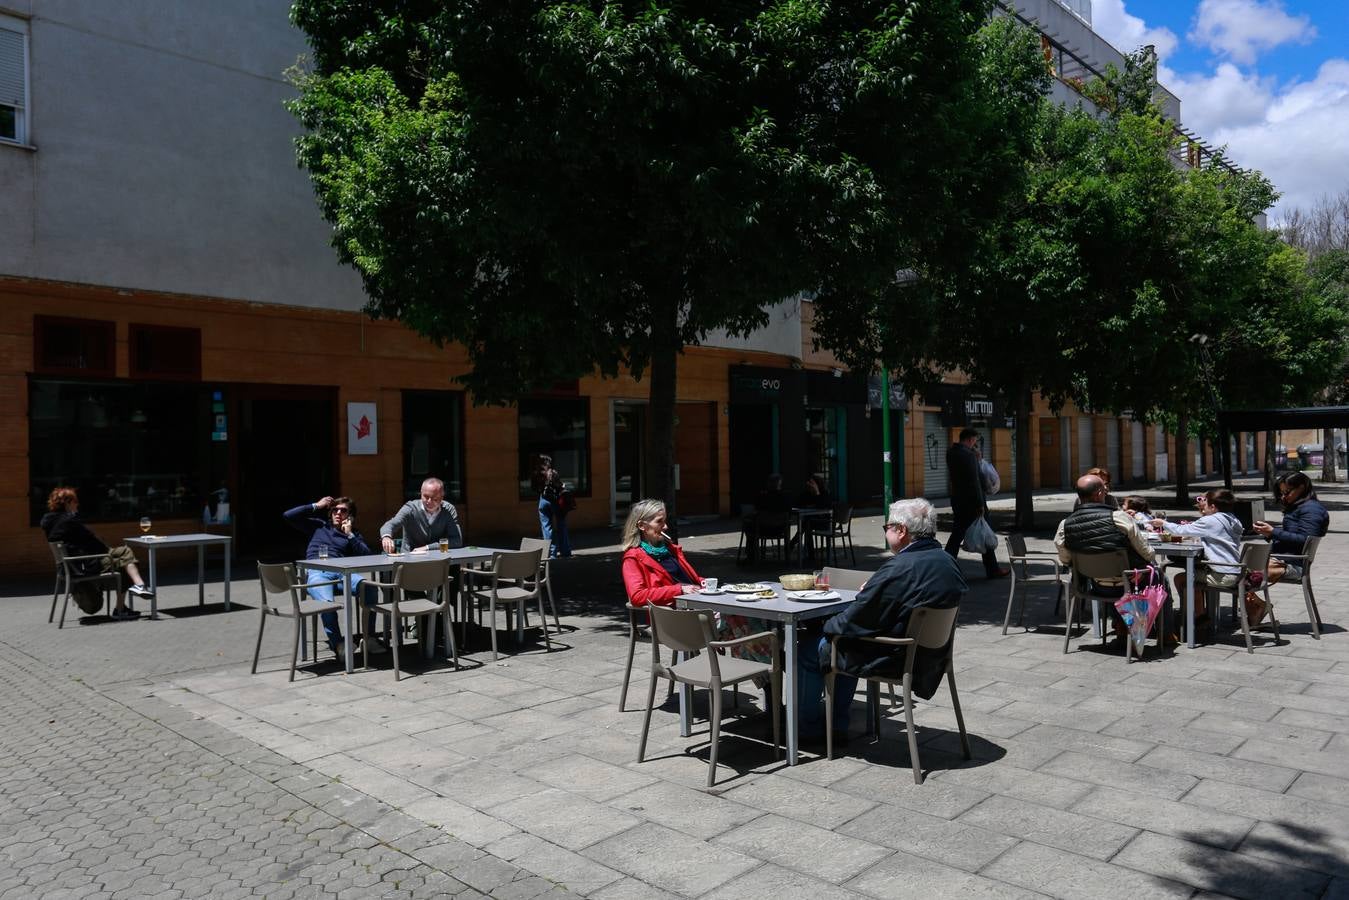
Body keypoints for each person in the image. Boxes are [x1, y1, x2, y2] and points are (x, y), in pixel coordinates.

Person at [798, 498, 967, 738]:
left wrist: (823, 626)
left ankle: (808, 729)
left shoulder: (900, 568)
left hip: (895, 657)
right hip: (930, 657)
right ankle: (836, 722)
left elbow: (853, 621)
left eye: (887, 527)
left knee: (810, 648)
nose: (886, 532)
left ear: (902, 530)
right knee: (842, 639)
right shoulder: (947, 561)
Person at [1055, 473, 1161, 640]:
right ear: (1098, 493)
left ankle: (1121, 628)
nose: (1106, 493)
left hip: (1095, 584)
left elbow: (1065, 558)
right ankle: (1165, 632)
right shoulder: (1120, 518)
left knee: (1114, 577)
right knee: (1159, 576)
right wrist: (1150, 560)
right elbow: (1146, 552)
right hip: (1128, 583)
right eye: (1104, 490)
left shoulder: (1065, 524)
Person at [40, 486, 155, 619]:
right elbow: (90, 540)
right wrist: (107, 551)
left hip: (68, 567)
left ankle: (138, 587)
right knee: (124, 559)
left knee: (123, 554)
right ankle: (127, 601)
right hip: (85, 565)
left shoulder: (50, 523)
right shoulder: (69, 521)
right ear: (67, 503)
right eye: (75, 501)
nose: (77, 504)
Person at [283, 495, 374, 657]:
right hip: (317, 572)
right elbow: (289, 515)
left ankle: (369, 638)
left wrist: (350, 535)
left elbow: (368, 555)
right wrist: (316, 505)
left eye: (343, 510)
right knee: (327, 604)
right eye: (334, 510)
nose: (338, 513)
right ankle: (338, 644)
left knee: (370, 589)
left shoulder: (353, 534)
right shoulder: (319, 526)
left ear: (350, 515)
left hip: (342, 572)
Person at [1151, 489, 1243, 630]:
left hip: (1223, 574)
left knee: (1181, 579)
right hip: (1236, 571)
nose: (1202, 504)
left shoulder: (1211, 520)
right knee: (1193, 572)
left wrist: (1163, 523)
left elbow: (1181, 530)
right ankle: (1200, 615)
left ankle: (1195, 618)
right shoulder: (1233, 519)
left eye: (1205, 502)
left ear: (1213, 506)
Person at [1252, 470, 1329, 610]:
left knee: (1239, 572)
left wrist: (1273, 532)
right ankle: (1255, 608)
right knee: (1238, 568)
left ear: (1301, 487)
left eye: (1287, 492)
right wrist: (1269, 534)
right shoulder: (1300, 507)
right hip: (1284, 560)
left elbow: (1304, 539)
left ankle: (1256, 608)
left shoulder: (1312, 509)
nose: (1283, 497)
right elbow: (1292, 537)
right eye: (1281, 493)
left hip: (1293, 565)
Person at [945, 428, 1009, 578]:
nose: (975, 443)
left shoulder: (951, 452)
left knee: (957, 535)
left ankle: (945, 565)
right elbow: (975, 480)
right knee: (984, 532)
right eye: (974, 440)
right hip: (973, 502)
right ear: (970, 440)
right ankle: (992, 569)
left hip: (958, 499)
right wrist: (980, 503)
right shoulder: (969, 455)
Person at [621, 499, 701, 606]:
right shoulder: (633, 558)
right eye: (659, 521)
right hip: (674, 613)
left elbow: (691, 580)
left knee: (730, 614)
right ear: (641, 526)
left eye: (665, 521)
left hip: (698, 602)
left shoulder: (670, 549)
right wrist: (679, 590)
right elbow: (637, 596)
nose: (666, 526)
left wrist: (709, 584)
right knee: (728, 618)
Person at [380, 477, 463, 553]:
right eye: (426, 497)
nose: (429, 501)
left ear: (442, 497)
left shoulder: (448, 510)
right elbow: (391, 524)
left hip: (438, 558)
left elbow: (456, 541)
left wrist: (427, 547)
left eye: (435, 498)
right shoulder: (410, 509)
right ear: (421, 493)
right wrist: (386, 536)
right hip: (411, 557)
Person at [532, 455, 572, 559]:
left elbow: (534, 487)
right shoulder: (552, 473)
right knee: (561, 525)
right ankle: (565, 551)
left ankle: (551, 553)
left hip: (543, 500)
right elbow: (559, 486)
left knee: (546, 527)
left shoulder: (537, 473)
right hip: (555, 501)